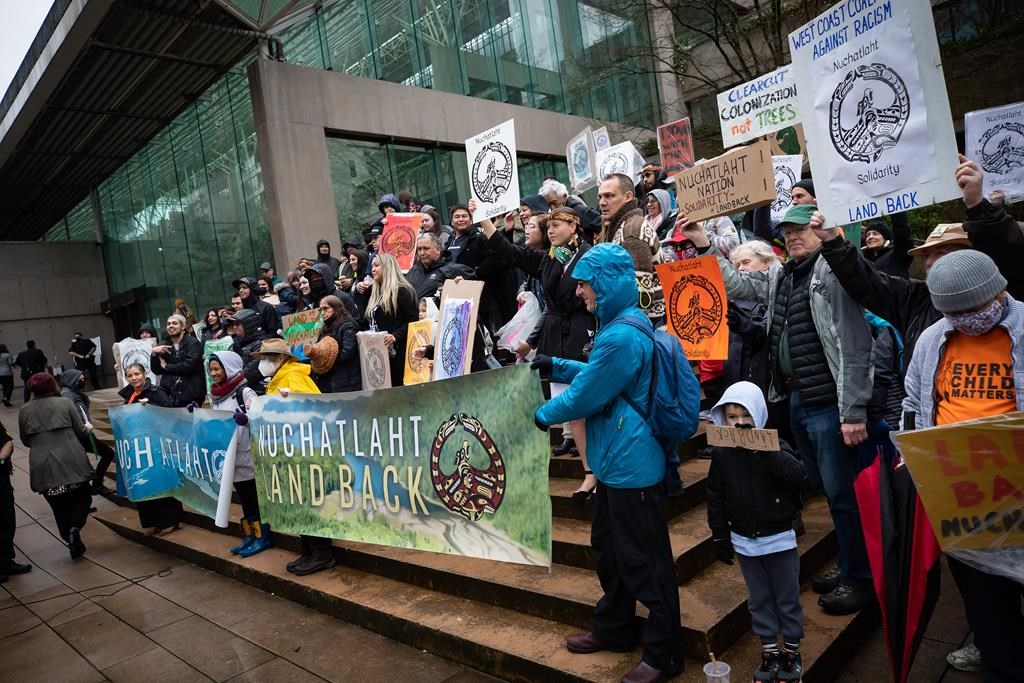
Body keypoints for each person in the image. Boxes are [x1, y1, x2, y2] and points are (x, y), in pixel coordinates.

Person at [686, 203, 876, 615]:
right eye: (786, 232)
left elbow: (854, 342)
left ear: (820, 231)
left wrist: (854, 409)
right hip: (795, 400)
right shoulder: (781, 276)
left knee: (842, 494)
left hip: (829, 403)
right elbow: (735, 284)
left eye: (801, 230)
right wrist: (703, 243)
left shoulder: (835, 270)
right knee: (827, 491)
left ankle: (861, 578)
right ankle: (848, 566)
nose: (792, 237)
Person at [534, 243, 686, 682]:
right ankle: (615, 628)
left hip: (631, 466)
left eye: (585, 284)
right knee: (612, 553)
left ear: (606, 283)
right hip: (618, 463)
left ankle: (663, 655)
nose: (580, 292)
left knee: (644, 562)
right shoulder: (622, 326)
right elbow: (599, 374)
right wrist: (555, 362)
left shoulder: (619, 335)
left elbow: (589, 393)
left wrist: (541, 415)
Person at [901, 250, 1023, 683]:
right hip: (963, 498)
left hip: (1019, 489)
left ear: (997, 291)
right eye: (954, 312)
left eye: (972, 308)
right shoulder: (933, 338)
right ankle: (1001, 662)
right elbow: (913, 401)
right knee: (985, 603)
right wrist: (913, 449)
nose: (966, 319)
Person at [479, 208, 597, 495]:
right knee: (573, 412)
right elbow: (510, 253)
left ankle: (603, 466)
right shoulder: (547, 259)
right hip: (556, 338)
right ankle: (589, 472)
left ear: (574, 225)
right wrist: (484, 220)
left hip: (585, 334)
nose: (551, 231)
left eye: (557, 225)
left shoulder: (591, 254)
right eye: (550, 226)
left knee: (592, 406)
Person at [706, 382, 807, 683]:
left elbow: (798, 475)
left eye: (744, 416)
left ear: (758, 415)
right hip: (745, 541)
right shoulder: (722, 454)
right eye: (732, 417)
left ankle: (791, 649)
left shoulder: (775, 446)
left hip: (779, 539)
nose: (739, 424)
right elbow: (715, 494)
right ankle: (770, 650)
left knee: (787, 597)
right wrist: (719, 534)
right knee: (759, 598)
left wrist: (766, 453)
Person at [251, 339, 334, 576]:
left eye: (268, 358)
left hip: (305, 452)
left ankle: (321, 552)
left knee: (310, 501)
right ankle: (309, 551)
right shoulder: (278, 379)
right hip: (292, 451)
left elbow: (316, 410)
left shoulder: (292, 377)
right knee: (300, 501)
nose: (263, 363)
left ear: (281, 358)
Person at [18, 373, 94, 559]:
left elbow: (25, 440)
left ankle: (70, 540)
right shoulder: (65, 403)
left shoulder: (25, 410)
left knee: (57, 505)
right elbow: (81, 432)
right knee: (83, 496)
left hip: (42, 463)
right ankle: (75, 528)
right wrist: (88, 428)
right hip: (71, 458)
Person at [207, 351, 271, 557]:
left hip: (247, 456)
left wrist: (246, 420)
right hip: (230, 456)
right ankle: (249, 536)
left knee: (253, 498)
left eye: (217, 368)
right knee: (244, 499)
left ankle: (263, 537)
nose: (213, 373)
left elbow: (260, 417)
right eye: (211, 369)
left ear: (229, 368)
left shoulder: (243, 392)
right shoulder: (216, 394)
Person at [118, 362, 183, 535]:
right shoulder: (128, 396)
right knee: (143, 485)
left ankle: (170, 520)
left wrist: (151, 408)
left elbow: (170, 413)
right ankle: (151, 522)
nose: (134, 378)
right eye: (130, 375)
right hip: (139, 449)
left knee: (160, 483)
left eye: (137, 374)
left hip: (157, 447)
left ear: (145, 374)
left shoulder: (156, 392)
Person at [597, 174, 664, 324]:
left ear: (628, 197)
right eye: (600, 197)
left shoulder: (632, 232)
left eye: (609, 196)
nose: (602, 202)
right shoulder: (624, 225)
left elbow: (641, 298)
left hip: (644, 325)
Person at [59, 369, 117, 495]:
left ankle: (93, 486)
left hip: (82, 433)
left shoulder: (73, 394)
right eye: (80, 380)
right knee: (107, 453)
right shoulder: (68, 396)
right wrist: (83, 427)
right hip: (81, 434)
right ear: (71, 381)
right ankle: (95, 485)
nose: (83, 381)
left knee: (92, 459)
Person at [365, 254, 419, 386]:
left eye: (377, 265)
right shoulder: (375, 292)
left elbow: (414, 321)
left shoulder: (403, 291)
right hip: (380, 355)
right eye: (372, 266)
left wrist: (395, 336)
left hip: (399, 354)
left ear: (388, 267)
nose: (372, 269)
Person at [306, 295, 361, 393]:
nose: (322, 313)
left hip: (345, 380)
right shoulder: (323, 328)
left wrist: (326, 359)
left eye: (326, 309)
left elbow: (347, 353)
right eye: (320, 310)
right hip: (328, 382)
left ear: (336, 308)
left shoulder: (348, 326)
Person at [151, 314, 206, 408]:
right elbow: (157, 370)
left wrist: (167, 367)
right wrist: (154, 354)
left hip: (191, 394)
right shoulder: (163, 344)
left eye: (174, 323)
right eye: (168, 324)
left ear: (183, 327)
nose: (170, 326)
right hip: (170, 394)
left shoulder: (193, 343)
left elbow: (190, 365)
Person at [0, 419, 32, 579]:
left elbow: (7, 442)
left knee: (7, 519)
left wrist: (0, 459)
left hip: (1, 480)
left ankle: (5, 561)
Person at [406, 233, 474, 301]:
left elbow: (475, 286)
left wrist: (461, 286)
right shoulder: (414, 270)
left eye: (426, 248)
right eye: (419, 249)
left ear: (438, 249)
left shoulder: (452, 270)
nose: (422, 253)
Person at [227, 309, 268, 394]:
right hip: (241, 391)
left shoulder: (262, 344)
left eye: (238, 324)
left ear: (248, 325)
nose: (234, 327)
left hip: (257, 393)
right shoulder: (235, 344)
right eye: (233, 324)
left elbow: (253, 370)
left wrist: (232, 381)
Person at [861, 214, 913, 278]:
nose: (870, 237)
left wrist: (897, 214)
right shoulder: (862, 258)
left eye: (875, 234)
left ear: (885, 238)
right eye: (868, 235)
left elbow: (902, 235)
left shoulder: (897, 255)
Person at [14, 341, 47, 405]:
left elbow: (17, 363)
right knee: (38, 386)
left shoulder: (21, 353)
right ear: (34, 345)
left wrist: (24, 366)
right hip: (37, 373)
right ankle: (40, 401)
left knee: (27, 388)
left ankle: (26, 402)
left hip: (25, 374)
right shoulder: (38, 351)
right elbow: (44, 360)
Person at [347, 248, 372, 315]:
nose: (351, 263)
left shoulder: (367, 279)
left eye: (353, 259)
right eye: (350, 260)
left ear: (361, 260)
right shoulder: (357, 279)